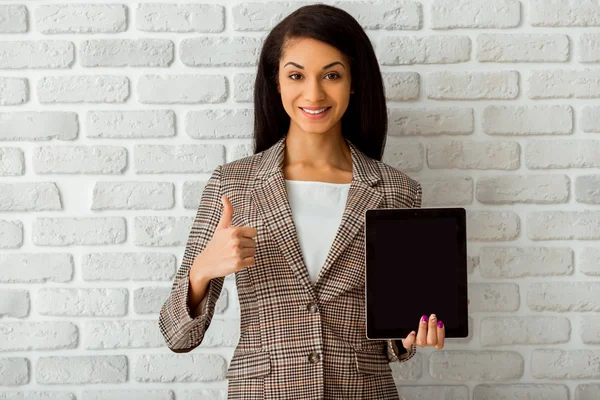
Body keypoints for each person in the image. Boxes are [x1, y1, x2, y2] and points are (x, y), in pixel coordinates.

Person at [159, 4, 445, 399]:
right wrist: (201, 273)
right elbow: (177, 335)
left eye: (331, 75)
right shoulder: (234, 185)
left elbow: (394, 336)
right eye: (296, 75)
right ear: (276, 82)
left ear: (354, 81)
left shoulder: (396, 191)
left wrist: (411, 336)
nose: (314, 93)